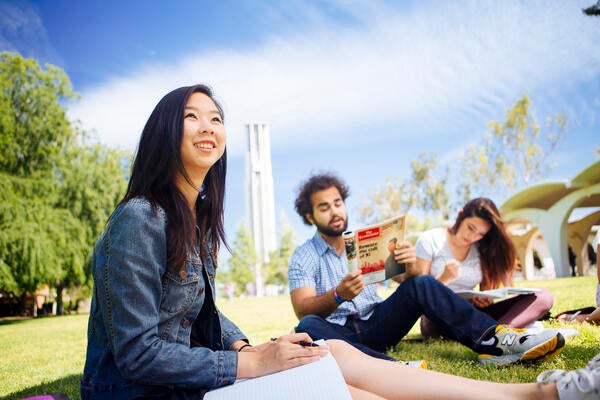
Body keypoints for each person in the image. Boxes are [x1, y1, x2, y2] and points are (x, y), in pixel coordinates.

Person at [79, 84, 598, 400]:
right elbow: (138, 353)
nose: (209, 126)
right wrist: (249, 362)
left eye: (216, 117)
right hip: (143, 393)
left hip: (362, 329)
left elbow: (202, 312)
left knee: (328, 356)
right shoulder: (142, 218)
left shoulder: (193, 220)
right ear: (165, 131)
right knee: (320, 353)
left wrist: (243, 345)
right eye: (192, 117)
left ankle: (537, 388)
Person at [288, 173, 564, 367]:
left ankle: (493, 340)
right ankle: (389, 366)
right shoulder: (304, 255)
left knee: (420, 283)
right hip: (340, 335)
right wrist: (338, 295)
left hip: (378, 323)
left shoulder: (368, 242)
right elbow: (303, 308)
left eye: (338, 203)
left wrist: (407, 264)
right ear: (310, 216)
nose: (335, 211)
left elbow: (409, 284)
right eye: (324, 208)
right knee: (307, 326)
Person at [415, 198, 555, 338]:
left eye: (481, 234)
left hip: (471, 313)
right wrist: (443, 279)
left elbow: (487, 292)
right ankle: (493, 336)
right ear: (460, 215)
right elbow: (417, 293)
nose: (473, 236)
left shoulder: (482, 249)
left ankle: (497, 335)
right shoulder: (430, 239)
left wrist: (484, 301)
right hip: (437, 317)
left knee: (542, 296)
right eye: (470, 227)